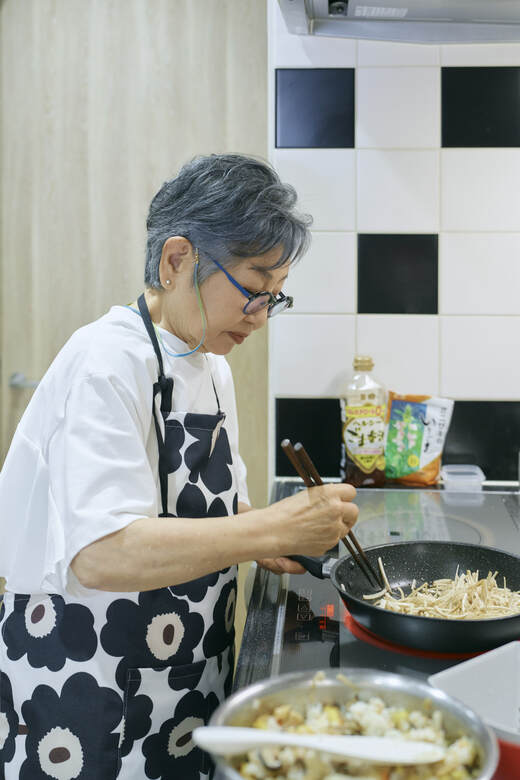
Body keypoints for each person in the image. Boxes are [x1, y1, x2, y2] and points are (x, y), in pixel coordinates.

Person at [0, 153, 358, 779]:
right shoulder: (105, 362)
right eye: (252, 289)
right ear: (176, 260)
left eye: (276, 297)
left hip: (187, 675)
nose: (260, 316)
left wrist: (266, 535)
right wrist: (271, 530)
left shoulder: (211, 364)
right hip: (86, 683)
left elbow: (212, 510)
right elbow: (101, 552)